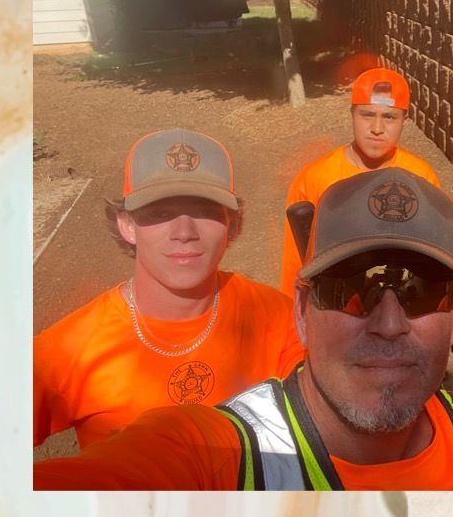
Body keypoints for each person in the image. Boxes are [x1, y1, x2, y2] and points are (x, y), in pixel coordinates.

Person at [34, 169, 453, 492]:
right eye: (349, 288)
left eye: (422, 291)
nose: (389, 325)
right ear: (301, 310)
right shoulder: (224, 454)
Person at [34, 130, 302, 450]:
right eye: (160, 213)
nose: (184, 232)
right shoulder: (68, 351)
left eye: (205, 211)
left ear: (232, 224)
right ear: (127, 225)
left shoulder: (280, 320)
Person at [279, 65, 439, 295]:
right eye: (367, 115)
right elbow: (295, 262)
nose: (377, 128)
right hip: (333, 301)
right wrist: (293, 310)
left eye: (389, 117)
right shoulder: (314, 178)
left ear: (405, 119)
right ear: (352, 114)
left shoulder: (421, 177)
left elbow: (435, 260)